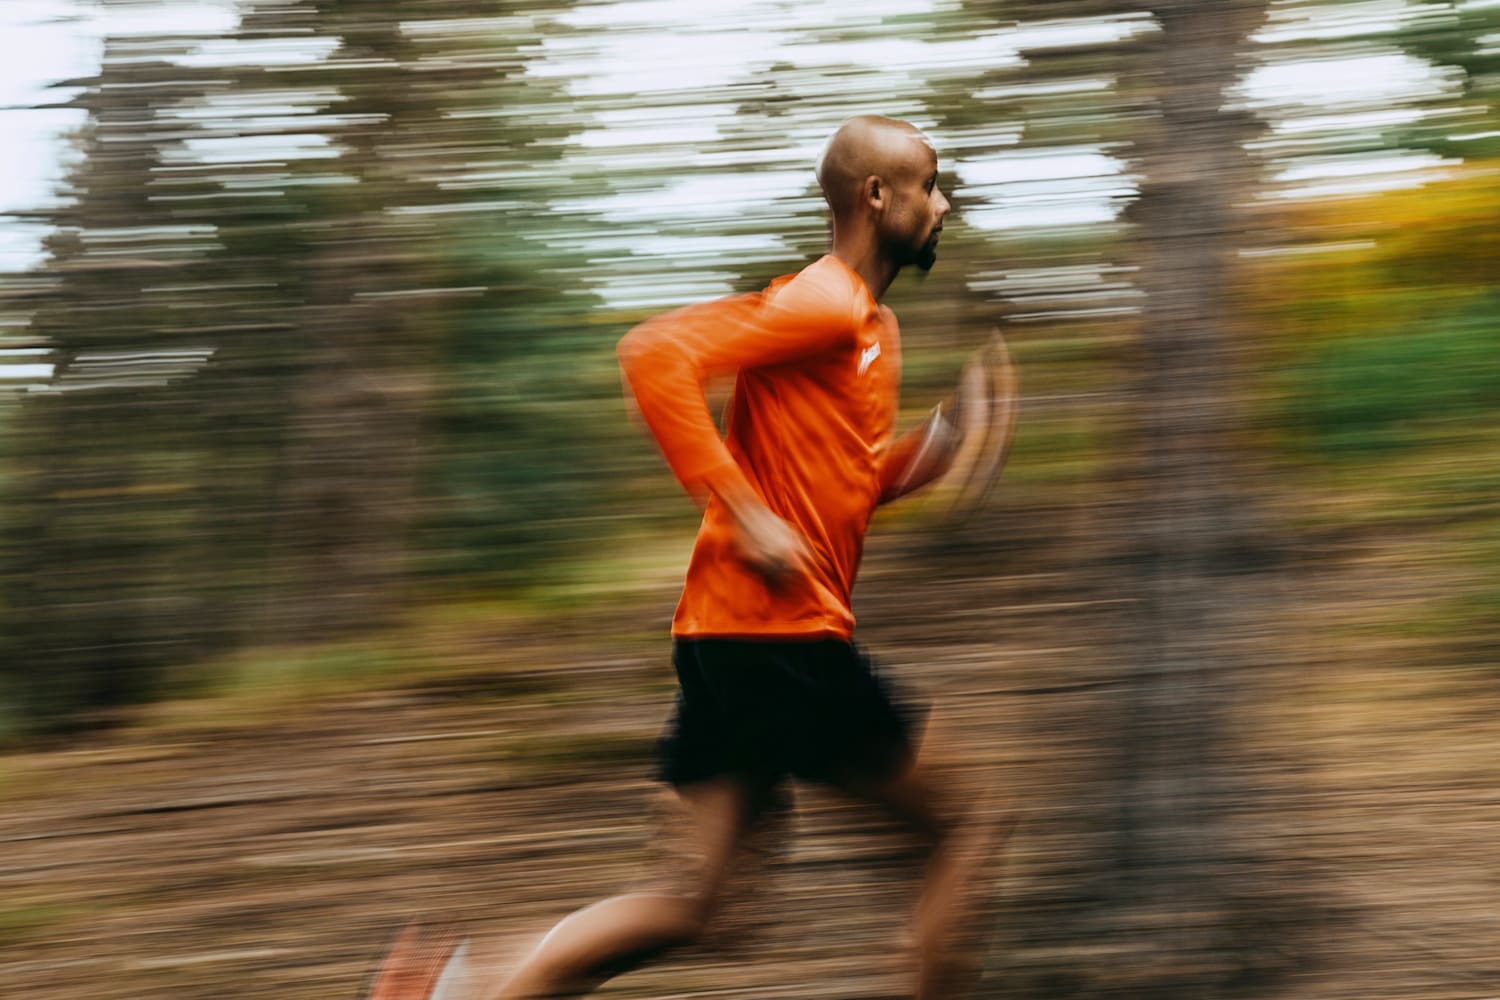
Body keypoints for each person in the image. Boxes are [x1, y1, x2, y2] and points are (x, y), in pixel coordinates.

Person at [370, 114, 1007, 1000]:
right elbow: (653, 354)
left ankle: (457, 990)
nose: (942, 206)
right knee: (961, 833)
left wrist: (929, 454)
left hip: (726, 640)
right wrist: (744, 512)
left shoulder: (872, 328)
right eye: (929, 187)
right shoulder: (824, 301)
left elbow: (838, 483)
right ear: (875, 196)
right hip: (783, 641)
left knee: (694, 905)